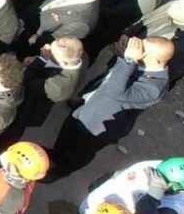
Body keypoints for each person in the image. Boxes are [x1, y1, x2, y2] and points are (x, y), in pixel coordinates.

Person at [50, 37, 173, 180]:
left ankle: (55, 172)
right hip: (87, 109)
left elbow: (114, 91)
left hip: (97, 127)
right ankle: (53, 156)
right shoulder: (140, 63)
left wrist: (128, 60)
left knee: (76, 153)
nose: (136, 51)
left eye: (142, 50)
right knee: (64, 139)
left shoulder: (153, 87)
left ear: (157, 60)